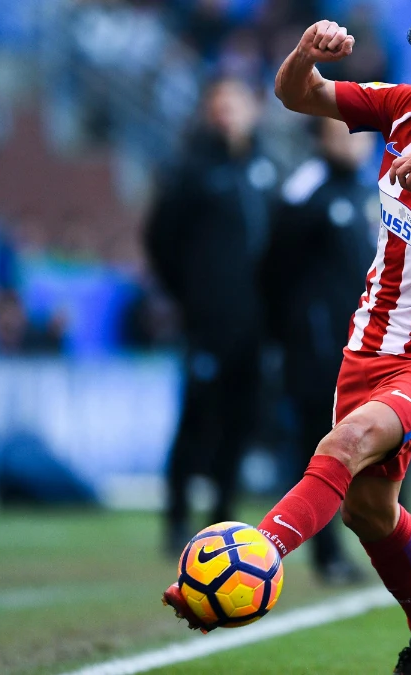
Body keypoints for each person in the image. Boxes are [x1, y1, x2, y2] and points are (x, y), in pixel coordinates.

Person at [162, 4, 411, 673]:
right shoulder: (401, 110)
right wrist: (306, 52)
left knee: (344, 443)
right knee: (368, 510)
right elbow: (295, 94)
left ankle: (259, 552)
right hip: (366, 346)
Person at [145, 76, 279, 554]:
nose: (228, 113)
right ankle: (176, 516)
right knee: (197, 417)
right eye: (219, 103)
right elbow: (160, 241)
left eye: (236, 102)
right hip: (207, 322)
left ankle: (221, 516)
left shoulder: (266, 167)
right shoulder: (191, 170)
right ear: (208, 111)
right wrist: (191, 296)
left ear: (254, 109)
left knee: (241, 421)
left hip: (255, 322)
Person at [259, 118, 378, 585]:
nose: (358, 141)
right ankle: (327, 556)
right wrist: (295, 332)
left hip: (368, 346)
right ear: (320, 136)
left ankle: (401, 552)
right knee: (320, 449)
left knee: (392, 447)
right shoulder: (304, 191)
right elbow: (274, 270)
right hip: (318, 349)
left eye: (364, 131)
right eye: (346, 130)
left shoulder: (368, 190)